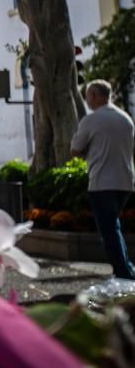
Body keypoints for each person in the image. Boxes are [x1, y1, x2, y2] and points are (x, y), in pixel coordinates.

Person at [71, 79, 135, 280]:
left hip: (101, 182)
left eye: (88, 95)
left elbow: (75, 149)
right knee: (113, 226)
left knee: (109, 230)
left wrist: (87, 152)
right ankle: (126, 267)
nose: (87, 99)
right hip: (125, 181)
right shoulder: (126, 118)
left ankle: (123, 273)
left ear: (95, 96)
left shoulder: (91, 120)